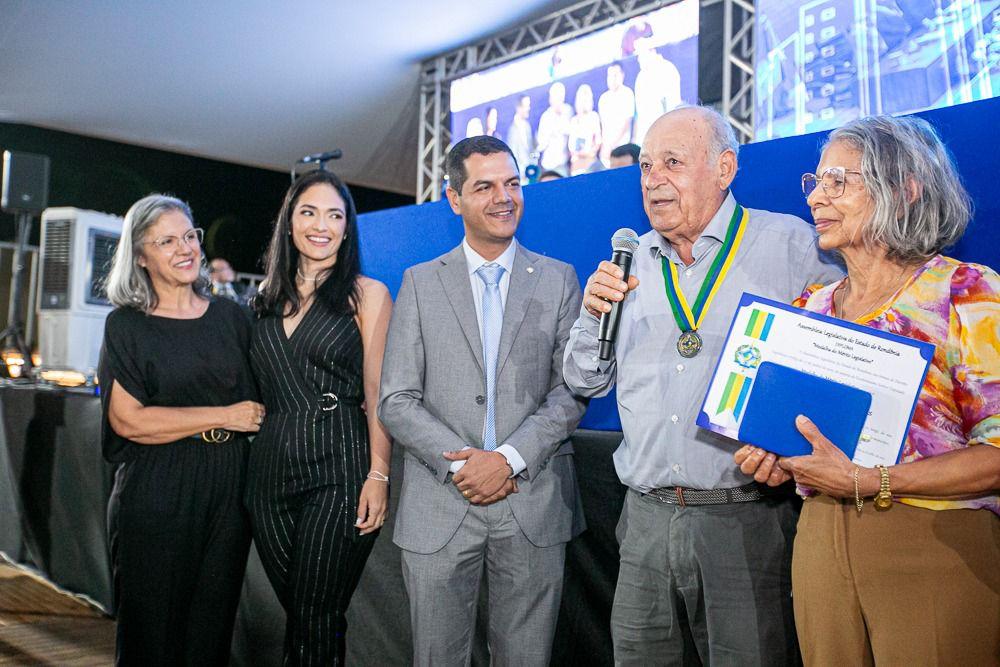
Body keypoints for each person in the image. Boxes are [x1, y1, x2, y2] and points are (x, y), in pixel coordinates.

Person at [563, 106, 844, 665]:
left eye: (671, 162)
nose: (652, 179)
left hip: (747, 517)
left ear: (724, 168)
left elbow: (841, 369)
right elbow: (583, 380)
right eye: (644, 165)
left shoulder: (792, 247)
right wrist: (595, 316)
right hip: (643, 519)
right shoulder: (627, 260)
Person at [736, 114, 1000, 665]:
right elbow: (804, 443)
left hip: (935, 544)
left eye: (839, 182)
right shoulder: (812, 306)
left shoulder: (966, 293)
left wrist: (871, 480)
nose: (816, 198)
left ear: (904, 189)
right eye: (815, 182)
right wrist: (775, 458)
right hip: (818, 544)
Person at [379, 135, 587, 666]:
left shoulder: (560, 280)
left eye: (513, 183)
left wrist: (508, 460)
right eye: (486, 186)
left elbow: (573, 390)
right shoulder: (420, 284)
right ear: (454, 198)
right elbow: (397, 399)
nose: (505, 197)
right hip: (440, 502)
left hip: (532, 500)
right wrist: (466, 466)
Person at [99, 194, 262, 666]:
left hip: (228, 490)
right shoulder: (127, 326)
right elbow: (128, 421)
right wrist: (223, 415)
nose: (185, 248)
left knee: (211, 633)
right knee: (151, 636)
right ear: (142, 256)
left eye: (189, 235)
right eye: (166, 240)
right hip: (156, 488)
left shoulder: (233, 318)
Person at [247, 170, 393, 665]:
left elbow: (378, 393)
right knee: (302, 612)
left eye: (335, 215)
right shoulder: (261, 303)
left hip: (341, 466)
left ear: (348, 228)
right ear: (289, 223)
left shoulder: (366, 294)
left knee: (318, 610)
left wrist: (379, 473)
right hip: (267, 474)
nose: (322, 225)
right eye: (309, 212)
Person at [633, 41, 682, 144]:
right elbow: (639, 114)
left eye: (640, 55)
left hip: (663, 139)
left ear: (652, 50)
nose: (638, 59)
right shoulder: (641, 76)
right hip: (643, 141)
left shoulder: (667, 69)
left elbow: (673, 108)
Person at [598, 63, 636, 166]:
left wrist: (613, 145)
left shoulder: (627, 93)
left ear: (622, 75)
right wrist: (605, 147)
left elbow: (627, 122)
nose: (613, 78)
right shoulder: (603, 98)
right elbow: (603, 126)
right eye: (610, 75)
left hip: (623, 151)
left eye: (615, 75)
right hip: (606, 152)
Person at [536, 81, 573, 175]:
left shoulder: (568, 111)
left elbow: (571, 131)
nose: (557, 100)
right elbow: (541, 144)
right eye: (555, 97)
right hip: (549, 165)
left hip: (563, 164)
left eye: (560, 96)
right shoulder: (546, 117)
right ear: (550, 98)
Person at [568, 83, 603, 176]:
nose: (584, 101)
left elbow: (598, 140)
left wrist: (589, 153)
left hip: (590, 162)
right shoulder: (574, 120)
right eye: (581, 98)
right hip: (576, 164)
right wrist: (576, 154)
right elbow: (571, 145)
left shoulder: (594, 116)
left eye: (586, 97)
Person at [506, 95, 535, 179]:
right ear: (519, 108)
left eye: (529, 105)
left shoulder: (527, 125)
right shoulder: (512, 129)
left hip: (530, 174)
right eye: (526, 106)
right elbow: (512, 155)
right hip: (520, 177)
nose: (529, 108)